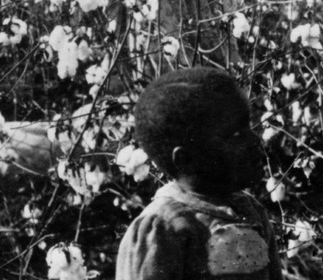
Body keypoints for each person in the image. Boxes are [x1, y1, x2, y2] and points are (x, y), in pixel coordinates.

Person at [116, 67, 282, 280]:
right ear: (186, 160)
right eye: (235, 134)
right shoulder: (163, 229)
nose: (254, 141)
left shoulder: (251, 211)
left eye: (248, 128)